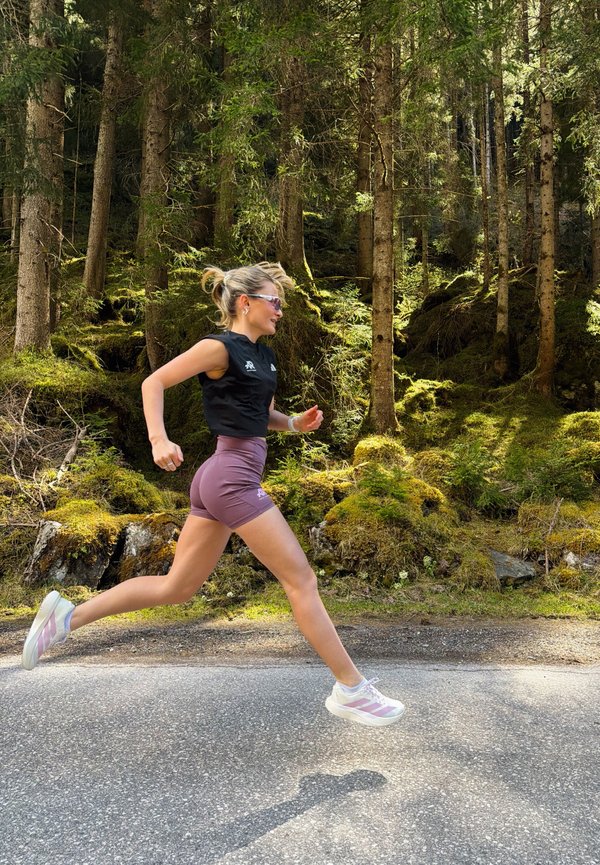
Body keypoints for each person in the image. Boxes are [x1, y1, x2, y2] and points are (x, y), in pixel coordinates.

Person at [22, 263, 405, 728]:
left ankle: (65, 618)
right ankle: (351, 688)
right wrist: (158, 440)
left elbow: (257, 413)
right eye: (274, 301)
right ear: (246, 302)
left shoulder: (263, 357)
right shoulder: (217, 346)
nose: (280, 310)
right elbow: (154, 382)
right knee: (301, 579)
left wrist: (293, 424)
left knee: (177, 587)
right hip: (230, 478)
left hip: (222, 477)